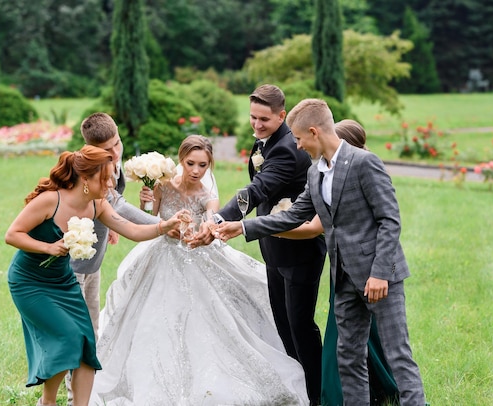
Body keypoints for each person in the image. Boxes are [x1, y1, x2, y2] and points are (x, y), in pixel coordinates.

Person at [215, 99, 426, 405]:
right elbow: (293, 215)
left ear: (314, 132)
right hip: (343, 279)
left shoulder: (364, 163)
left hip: (380, 278)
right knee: (348, 358)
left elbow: (390, 221)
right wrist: (243, 227)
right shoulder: (316, 173)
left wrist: (380, 273)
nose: (297, 146)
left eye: (299, 139)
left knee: (398, 355)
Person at [89, 135, 309, 405]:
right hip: (162, 254)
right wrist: (148, 198)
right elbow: (151, 216)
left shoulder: (207, 195)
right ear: (181, 160)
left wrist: (195, 231)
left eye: (203, 165)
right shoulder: (163, 186)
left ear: (210, 165)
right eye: (191, 163)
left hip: (195, 253)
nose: (196, 171)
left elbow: (209, 225)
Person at [5, 145, 182, 406]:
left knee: (87, 343)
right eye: (106, 177)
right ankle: (48, 402)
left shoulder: (97, 204)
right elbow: (12, 234)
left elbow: (130, 229)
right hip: (30, 281)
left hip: (62, 281)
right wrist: (48, 247)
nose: (111, 183)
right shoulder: (51, 200)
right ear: (86, 179)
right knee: (68, 337)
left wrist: (163, 227)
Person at [199, 84, 327, 404]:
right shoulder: (265, 142)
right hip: (272, 247)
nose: (257, 125)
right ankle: (299, 392)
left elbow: (257, 189)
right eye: (253, 118)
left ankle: (319, 393)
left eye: (264, 120)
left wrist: (218, 220)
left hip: (299, 251)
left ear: (282, 115)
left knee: (300, 328)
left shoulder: (287, 148)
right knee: (283, 325)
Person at [65, 112, 160, 405]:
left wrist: (144, 201)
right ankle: (73, 398)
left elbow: (114, 204)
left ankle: (83, 394)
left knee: (92, 329)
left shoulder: (113, 161)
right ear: (91, 150)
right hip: (72, 265)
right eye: (108, 150)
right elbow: (113, 205)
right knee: (76, 334)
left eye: (117, 143)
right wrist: (159, 223)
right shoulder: (88, 170)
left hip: (93, 259)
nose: (116, 152)